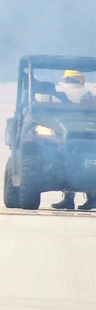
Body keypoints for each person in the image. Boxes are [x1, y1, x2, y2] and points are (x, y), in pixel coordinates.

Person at [51, 70, 96, 211]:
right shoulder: (85, 93)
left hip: (61, 131)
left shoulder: (56, 90)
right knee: (86, 165)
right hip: (83, 132)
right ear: (80, 79)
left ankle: (68, 199)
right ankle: (92, 198)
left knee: (66, 164)